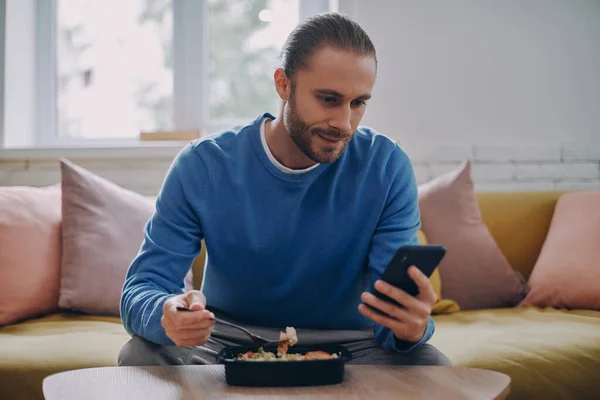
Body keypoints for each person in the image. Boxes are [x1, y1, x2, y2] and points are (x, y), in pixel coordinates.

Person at [118, 12, 450, 367]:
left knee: (432, 368)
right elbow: (142, 287)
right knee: (139, 356)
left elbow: (393, 313)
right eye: (328, 99)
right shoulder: (203, 165)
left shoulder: (386, 166)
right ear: (283, 84)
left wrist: (411, 327)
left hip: (353, 346)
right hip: (228, 340)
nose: (343, 123)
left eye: (358, 103)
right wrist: (166, 313)